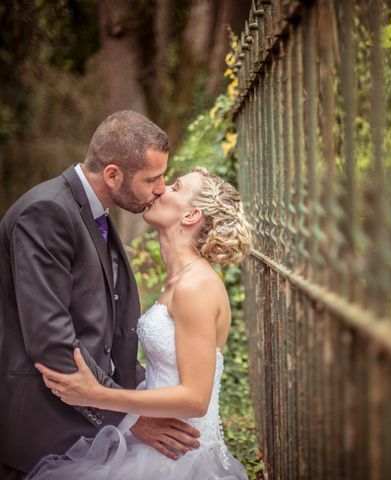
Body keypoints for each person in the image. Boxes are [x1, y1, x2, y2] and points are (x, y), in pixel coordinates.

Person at [0, 110, 201, 478]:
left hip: (89, 423)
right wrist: (130, 419)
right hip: (42, 431)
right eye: (152, 178)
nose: (160, 188)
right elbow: (51, 341)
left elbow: (107, 333)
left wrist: (144, 395)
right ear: (113, 174)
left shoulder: (96, 213)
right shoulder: (46, 212)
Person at [28, 167, 252, 479]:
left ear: (191, 216)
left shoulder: (195, 287)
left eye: (175, 186)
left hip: (178, 457)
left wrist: (97, 395)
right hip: (155, 439)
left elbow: (194, 399)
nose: (161, 190)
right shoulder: (179, 282)